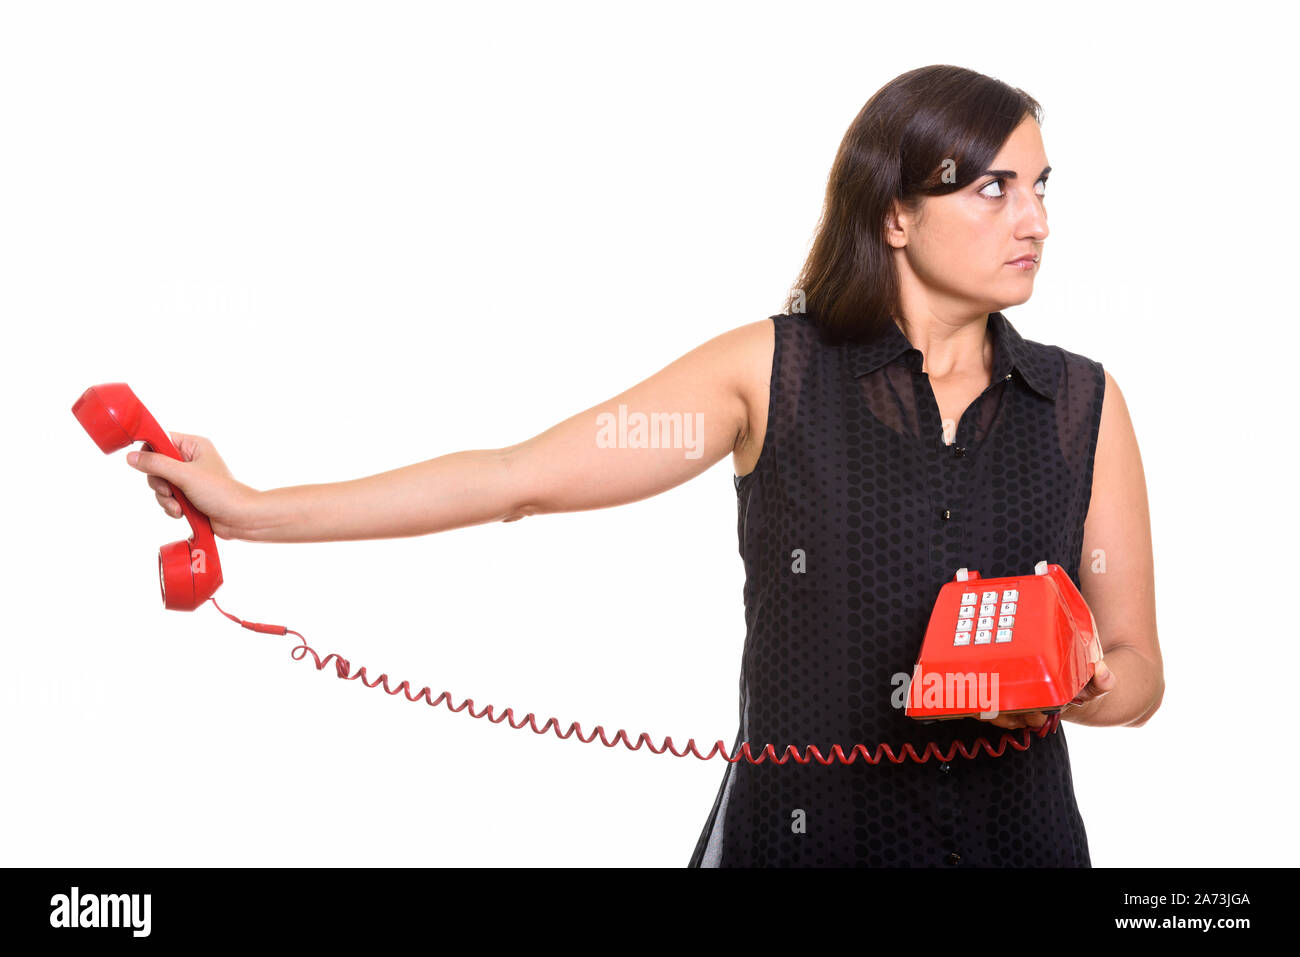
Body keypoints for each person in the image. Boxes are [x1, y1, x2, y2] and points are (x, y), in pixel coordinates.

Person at [125, 64, 1163, 867]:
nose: (1032, 220)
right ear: (894, 214)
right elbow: (516, 477)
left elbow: (1137, 669)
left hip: (1014, 846)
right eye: (991, 188)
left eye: (1037, 186)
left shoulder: (1080, 404)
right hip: (799, 845)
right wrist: (254, 510)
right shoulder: (770, 377)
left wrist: (1077, 685)